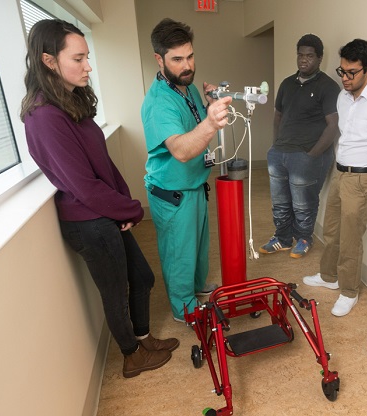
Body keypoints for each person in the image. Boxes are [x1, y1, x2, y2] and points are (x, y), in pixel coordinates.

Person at [21, 19, 179, 379]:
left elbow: (101, 164)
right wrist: (131, 209)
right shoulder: (44, 117)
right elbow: (82, 185)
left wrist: (123, 203)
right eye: (78, 58)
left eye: (87, 57)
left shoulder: (69, 102)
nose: (88, 66)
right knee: (116, 292)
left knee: (142, 277)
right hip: (88, 222)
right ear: (49, 61)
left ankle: (143, 337)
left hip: (104, 212)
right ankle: (131, 355)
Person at [141, 18, 232, 323]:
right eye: (177, 59)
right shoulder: (158, 102)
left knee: (197, 245)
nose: (187, 65)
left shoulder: (185, 86)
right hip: (172, 191)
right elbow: (180, 149)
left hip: (193, 184)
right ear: (159, 59)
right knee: (179, 252)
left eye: (190, 56)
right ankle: (184, 307)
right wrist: (211, 122)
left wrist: (208, 105)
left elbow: (193, 124)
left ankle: (196, 286)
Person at [303, 39, 367, 317]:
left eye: (351, 73)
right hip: (340, 172)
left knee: (350, 237)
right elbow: (344, 136)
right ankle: (329, 276)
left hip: (362, 179)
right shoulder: (342, 98)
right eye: (342, 71)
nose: (345, 78)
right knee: (331, 229)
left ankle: (348, 291)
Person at [259, 34, 340, 259]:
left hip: (306, 155)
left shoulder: (328, 86)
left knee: (304, 204)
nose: (304, 60)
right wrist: (275, 148)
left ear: (319, 58)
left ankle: (304, 238)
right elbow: (277, 117)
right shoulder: (287, 83)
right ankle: (282, 238)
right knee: (280, 202)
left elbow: (333, 125)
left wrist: (311, 155)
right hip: (280, 154)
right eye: (300, 55)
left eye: (310, 56)